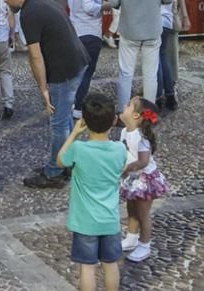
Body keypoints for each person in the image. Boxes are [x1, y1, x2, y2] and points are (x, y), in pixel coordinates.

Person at [6, 0, 88, 188]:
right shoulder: (44, 0)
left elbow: (35, 55)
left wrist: (43, 88)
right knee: (65, 116)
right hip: (77, 61)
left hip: (64, 70)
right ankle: (67, 162)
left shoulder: (29, 13)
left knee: (58, 122)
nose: (5, 0)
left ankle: (54, 172)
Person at [56, 92, 127, 291]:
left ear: (85, 120)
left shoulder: (79, 149)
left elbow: (60, 159)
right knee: (111, 264)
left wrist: (74, 133)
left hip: (85, 222)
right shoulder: (120, 150)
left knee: (87, 268)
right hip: (110, 220)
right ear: (114, 120)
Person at [110, 0, 172, 111]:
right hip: (152, 30)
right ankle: (148, 111)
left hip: (129, 31)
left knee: (125, 73)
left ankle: (124, 109)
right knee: (150, 74)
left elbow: (114, 2)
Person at [118, 96, 169, 263]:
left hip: (144, 180)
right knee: (131, 209)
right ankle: (131, 237)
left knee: (143, 214)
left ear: (136, 115)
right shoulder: (126, 131)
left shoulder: (141, 138)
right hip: (134, 178)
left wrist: (126, 168)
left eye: (128, 105)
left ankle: (144, 244)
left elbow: (143, 161)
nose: (124, 107)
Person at [145, 0, 189, 110]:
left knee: (154, 59)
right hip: (167, 19)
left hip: (151, 19)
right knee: (162, 56)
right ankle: (170, 95)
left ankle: (156, 97)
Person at [69, 0, 105, 117]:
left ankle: (72, 103)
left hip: (77, 28)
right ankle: (77, 106)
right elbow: (89, 7)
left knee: (77, 70)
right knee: (86, 71)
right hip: (89, 30)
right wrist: (106, 5)